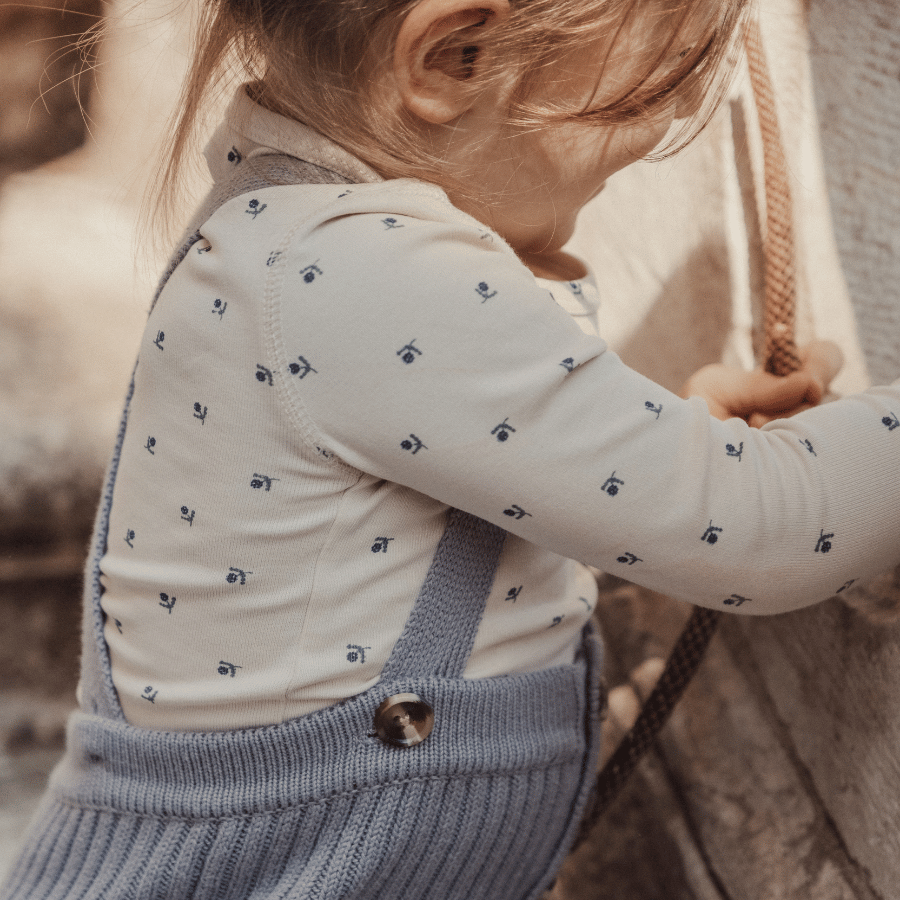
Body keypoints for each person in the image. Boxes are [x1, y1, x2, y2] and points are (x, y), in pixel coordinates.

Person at [4, 0, 898, 897]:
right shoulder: (374, 274)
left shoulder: (289, 220)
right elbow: (759, 530)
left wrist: (664, 443)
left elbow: (413, 535)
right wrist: (746, 474)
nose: (659, 127)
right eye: (647, 98)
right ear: (454, 57)